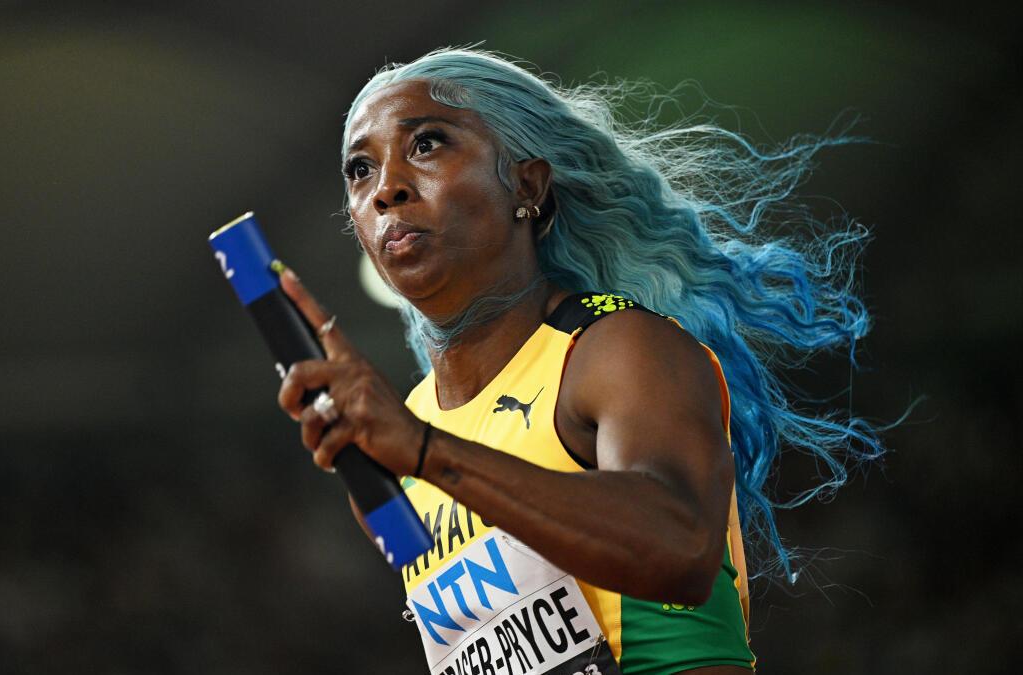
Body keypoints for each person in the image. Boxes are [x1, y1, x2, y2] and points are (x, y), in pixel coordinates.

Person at [275, 48, 884, 674]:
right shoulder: (397, 440)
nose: (386, 188)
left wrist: (428, 452)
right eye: (360, 169)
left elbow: (680, 550)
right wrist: (415, 448)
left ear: (527, 185)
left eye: (427, 144)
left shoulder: (615, 349)